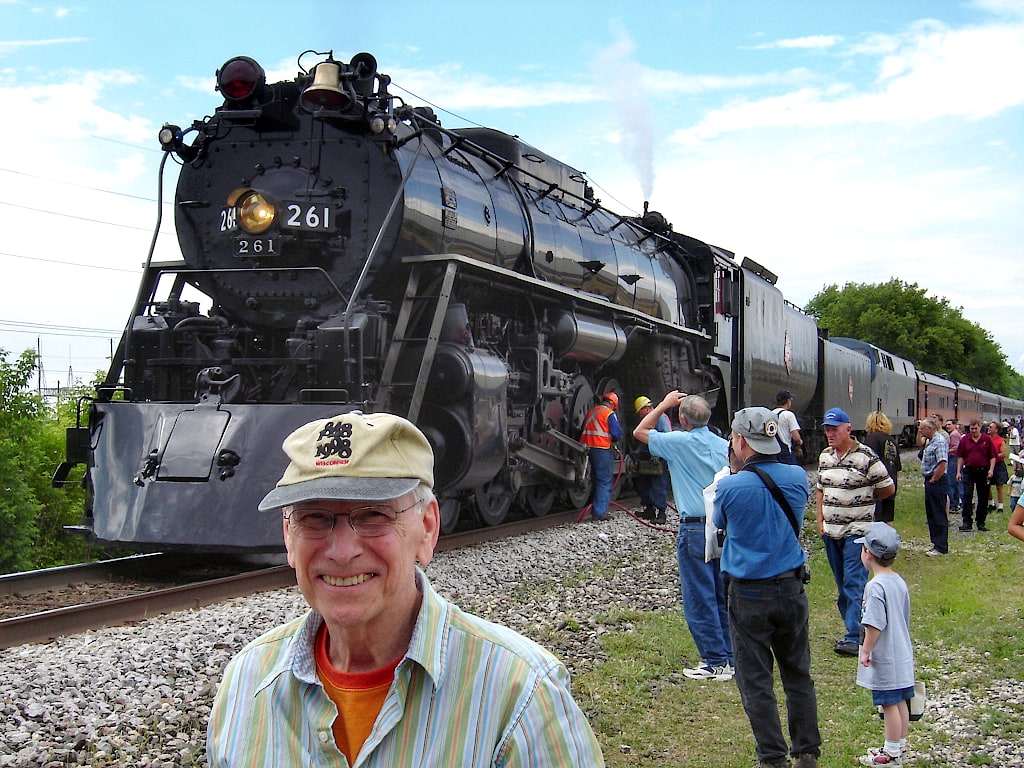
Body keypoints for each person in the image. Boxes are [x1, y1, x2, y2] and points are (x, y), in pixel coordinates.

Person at [207, 411, 606, 767]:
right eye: (313, 518)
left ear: (427, 528)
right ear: (288, 536)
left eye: (373, 516)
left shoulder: (521, 696)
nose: (342, 552)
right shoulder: (246, 684)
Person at [713, 407, 821, 768]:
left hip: (748, 593)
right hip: (790, 588)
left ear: (740, 441)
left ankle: (772, 757)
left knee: (756, 679)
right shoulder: (796, 477)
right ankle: (807, 751)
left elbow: (720, 524)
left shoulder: (729, 486)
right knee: (797, 673)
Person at [634, 391, 734, 681]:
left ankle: (714, 661)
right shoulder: (722, 444)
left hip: (694, 527)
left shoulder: (678, 442)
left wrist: (663, 403)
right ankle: (728, 656)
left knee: (698, 595)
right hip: (722, 525)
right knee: (720, 593)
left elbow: (640, 431)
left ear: (682, 419)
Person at [816, 407, 896, 657]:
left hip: (856, 531)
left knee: (853, 582)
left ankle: (854, 635)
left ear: (848, 429)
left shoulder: (866, 456)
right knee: (842, 584)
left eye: (834, 429)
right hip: (832, 531)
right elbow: (821, 489)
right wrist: (820, 520)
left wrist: (862, 501)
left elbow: (887, 488)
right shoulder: (825, 457)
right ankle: (855, 626)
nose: (830, 434)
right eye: (827, 429)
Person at [855, 523, 915, 766]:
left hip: (886, 655)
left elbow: (874, 623)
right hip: (902, 653)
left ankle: (889, 754)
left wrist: (867, 649)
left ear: (868, 554)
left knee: (888, 702)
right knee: (900, 700)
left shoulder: (875, 587)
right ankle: (899, 745)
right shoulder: (897, 581)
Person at [580, 392, 623, 521]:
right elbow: (617, 434)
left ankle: (592, 507)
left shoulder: (592, 411)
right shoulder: (609, 414)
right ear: (613, 404)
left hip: (587, 448)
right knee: (604, 480)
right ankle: (599, 512)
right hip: (601, 448)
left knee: (595, 478)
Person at [632, 395, 671, 523]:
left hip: (659, 458)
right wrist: (637, 452)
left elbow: (665, 438)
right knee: (644, 483)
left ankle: (661, 514)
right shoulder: (649, 419)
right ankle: (649, 509)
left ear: (646, 409)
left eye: (640, 412)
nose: (639, 415)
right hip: (649, 457)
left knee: (658, 484)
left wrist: (658, 454)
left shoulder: (661, 418)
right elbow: (646, 438)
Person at [955, 419, 997, 532]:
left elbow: (993, 456)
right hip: (969, 470)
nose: (973, 431)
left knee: (983, 497)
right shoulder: (965, 440)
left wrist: (991, 470)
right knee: (967, 496)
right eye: (971, 428)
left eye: (975, 428)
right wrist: (958, 472)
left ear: (980, 428)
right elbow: (960, 456)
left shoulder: (986, 440)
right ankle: (967, 522)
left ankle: (981, 522)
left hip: (983, 470)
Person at [862, 412, 902, 525]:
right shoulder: (892, 441)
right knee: (888, 517)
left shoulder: (871, 439)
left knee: (876, 518)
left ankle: (876, 541)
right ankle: (888, 540)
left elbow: (867, 462)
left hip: (877, 485)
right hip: (891, 484)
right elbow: (897, 468)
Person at [917, 417, 949, 557]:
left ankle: (941, 546)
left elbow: (942, 463)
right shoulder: (930, 441)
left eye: (922, 428)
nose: (920, 430)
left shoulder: (939, 442)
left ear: (930, 429)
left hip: (937, 481)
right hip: (930, 480)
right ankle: (935, 543)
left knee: (938, 513)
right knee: (931, 513)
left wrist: (934, 479)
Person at [772, 390, 804, 465]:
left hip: (773, 452)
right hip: (786, 453)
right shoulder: (789, 415)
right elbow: (796, 438)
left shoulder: (770, 414)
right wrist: (800, 442)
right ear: (788, 401)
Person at [987, 421, 1010, 513]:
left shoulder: (1000, 441)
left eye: (991, 427)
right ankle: (991, 503)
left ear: (996, 430)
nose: (988, 428)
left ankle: (1001, 506)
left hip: (998, 465)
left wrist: (993, 456)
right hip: (988, 465)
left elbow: (1004, 454)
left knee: (999, 486)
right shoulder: (987, 439)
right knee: (987, 485)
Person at [943, 420, 963, 513]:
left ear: (955, 425)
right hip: (956, 459)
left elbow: (956, 448)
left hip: (953, 459)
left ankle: (952, 504)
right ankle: (956, 503)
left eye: (949, 424)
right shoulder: (956, 433)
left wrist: (946, 451)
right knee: (956, 482)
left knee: (951, 482)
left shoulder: (953, 435)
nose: (947, 426)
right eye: (946, 424)